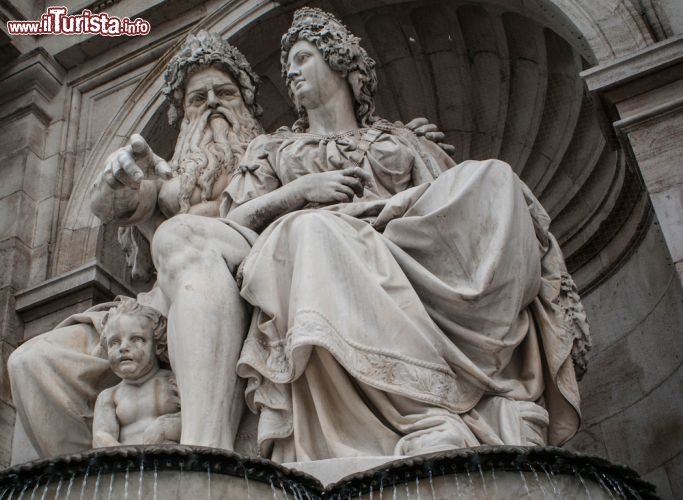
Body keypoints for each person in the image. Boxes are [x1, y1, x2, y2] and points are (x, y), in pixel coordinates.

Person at [7, 29, 448, 457]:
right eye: (198, 99)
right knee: (32, 367)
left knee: (181, 235)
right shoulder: (169, 177)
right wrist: (114, 182)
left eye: (225, 93)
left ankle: (206, 455)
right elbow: (111, 204)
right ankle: (106, 486)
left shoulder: (274, 148)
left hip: (248, 276)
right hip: (157, 311)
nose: (213, 104)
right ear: (182, 116)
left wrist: (408, 141)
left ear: (250, 102)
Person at [214, 7, 590, 461]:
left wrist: (417, 166)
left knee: (495, 177)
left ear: (340, 63)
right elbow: (231, 226)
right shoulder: (272, 150)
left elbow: (446, 206)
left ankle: (481, 396)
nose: (290, 72)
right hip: (325, 248)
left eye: (303, 57)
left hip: (404, 241)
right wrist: (297, 192)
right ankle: (423, 416)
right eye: (287, 64)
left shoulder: (402, 139)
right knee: (315, 232)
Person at [92, 299, 180, 447]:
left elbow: (199, 418)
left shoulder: (174, 381)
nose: (123, 347)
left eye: (137, 339)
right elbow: (101, 436)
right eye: (114, 342)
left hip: (171, 462)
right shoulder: (110, 396)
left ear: (158, 345)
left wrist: (165, 427)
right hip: (127, 466)